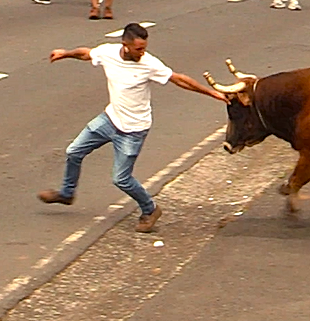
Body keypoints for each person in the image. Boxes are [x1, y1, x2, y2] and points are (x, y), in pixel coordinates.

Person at [37, 23, 229, 232]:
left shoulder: (149, 64)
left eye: (144, 47)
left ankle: (150, 209)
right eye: (138, 49)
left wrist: (214, 94)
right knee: (73, 151)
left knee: (121, 179)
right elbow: (86, 54)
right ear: (125, 45)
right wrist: (65, 53)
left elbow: (179, 79)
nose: (142, 52)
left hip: (133, 130)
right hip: (109, 119)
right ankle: (67, 193)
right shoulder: (109, 52)